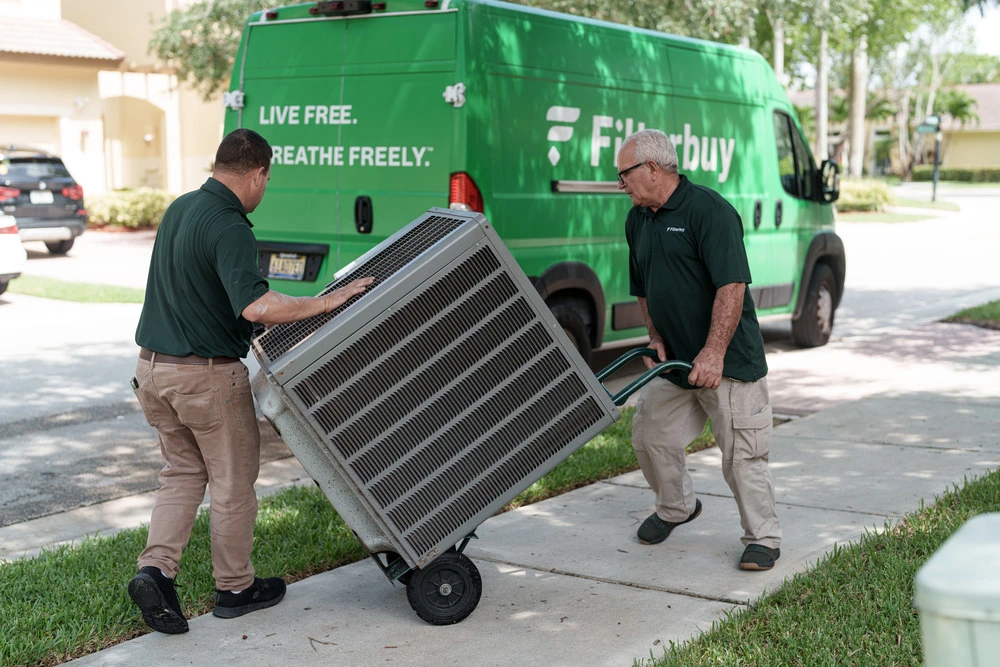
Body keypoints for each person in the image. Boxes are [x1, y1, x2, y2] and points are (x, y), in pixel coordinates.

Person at [127, 128, 373, 634]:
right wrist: (326, 302)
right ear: (258, 173)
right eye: (268, 179)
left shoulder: (181, 208)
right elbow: (256, 305)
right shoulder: (229, 223)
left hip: (152, 369)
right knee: (233, 482)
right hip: (206, 377)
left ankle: (155, 572)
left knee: (182, 473)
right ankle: (236, 588)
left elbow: (200, 291)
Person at [617, 128, 781, 571]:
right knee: (649, 437)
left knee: (742, 455)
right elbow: (644, 287)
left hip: (728, 361)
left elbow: (732, 286)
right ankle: (677, 508)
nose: (621, 184)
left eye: (624, 174)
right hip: (674, 361)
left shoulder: (709, 211)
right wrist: (655, 336)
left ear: (653, 168)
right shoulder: (638, 220)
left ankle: (763, 538)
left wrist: (713, 352)